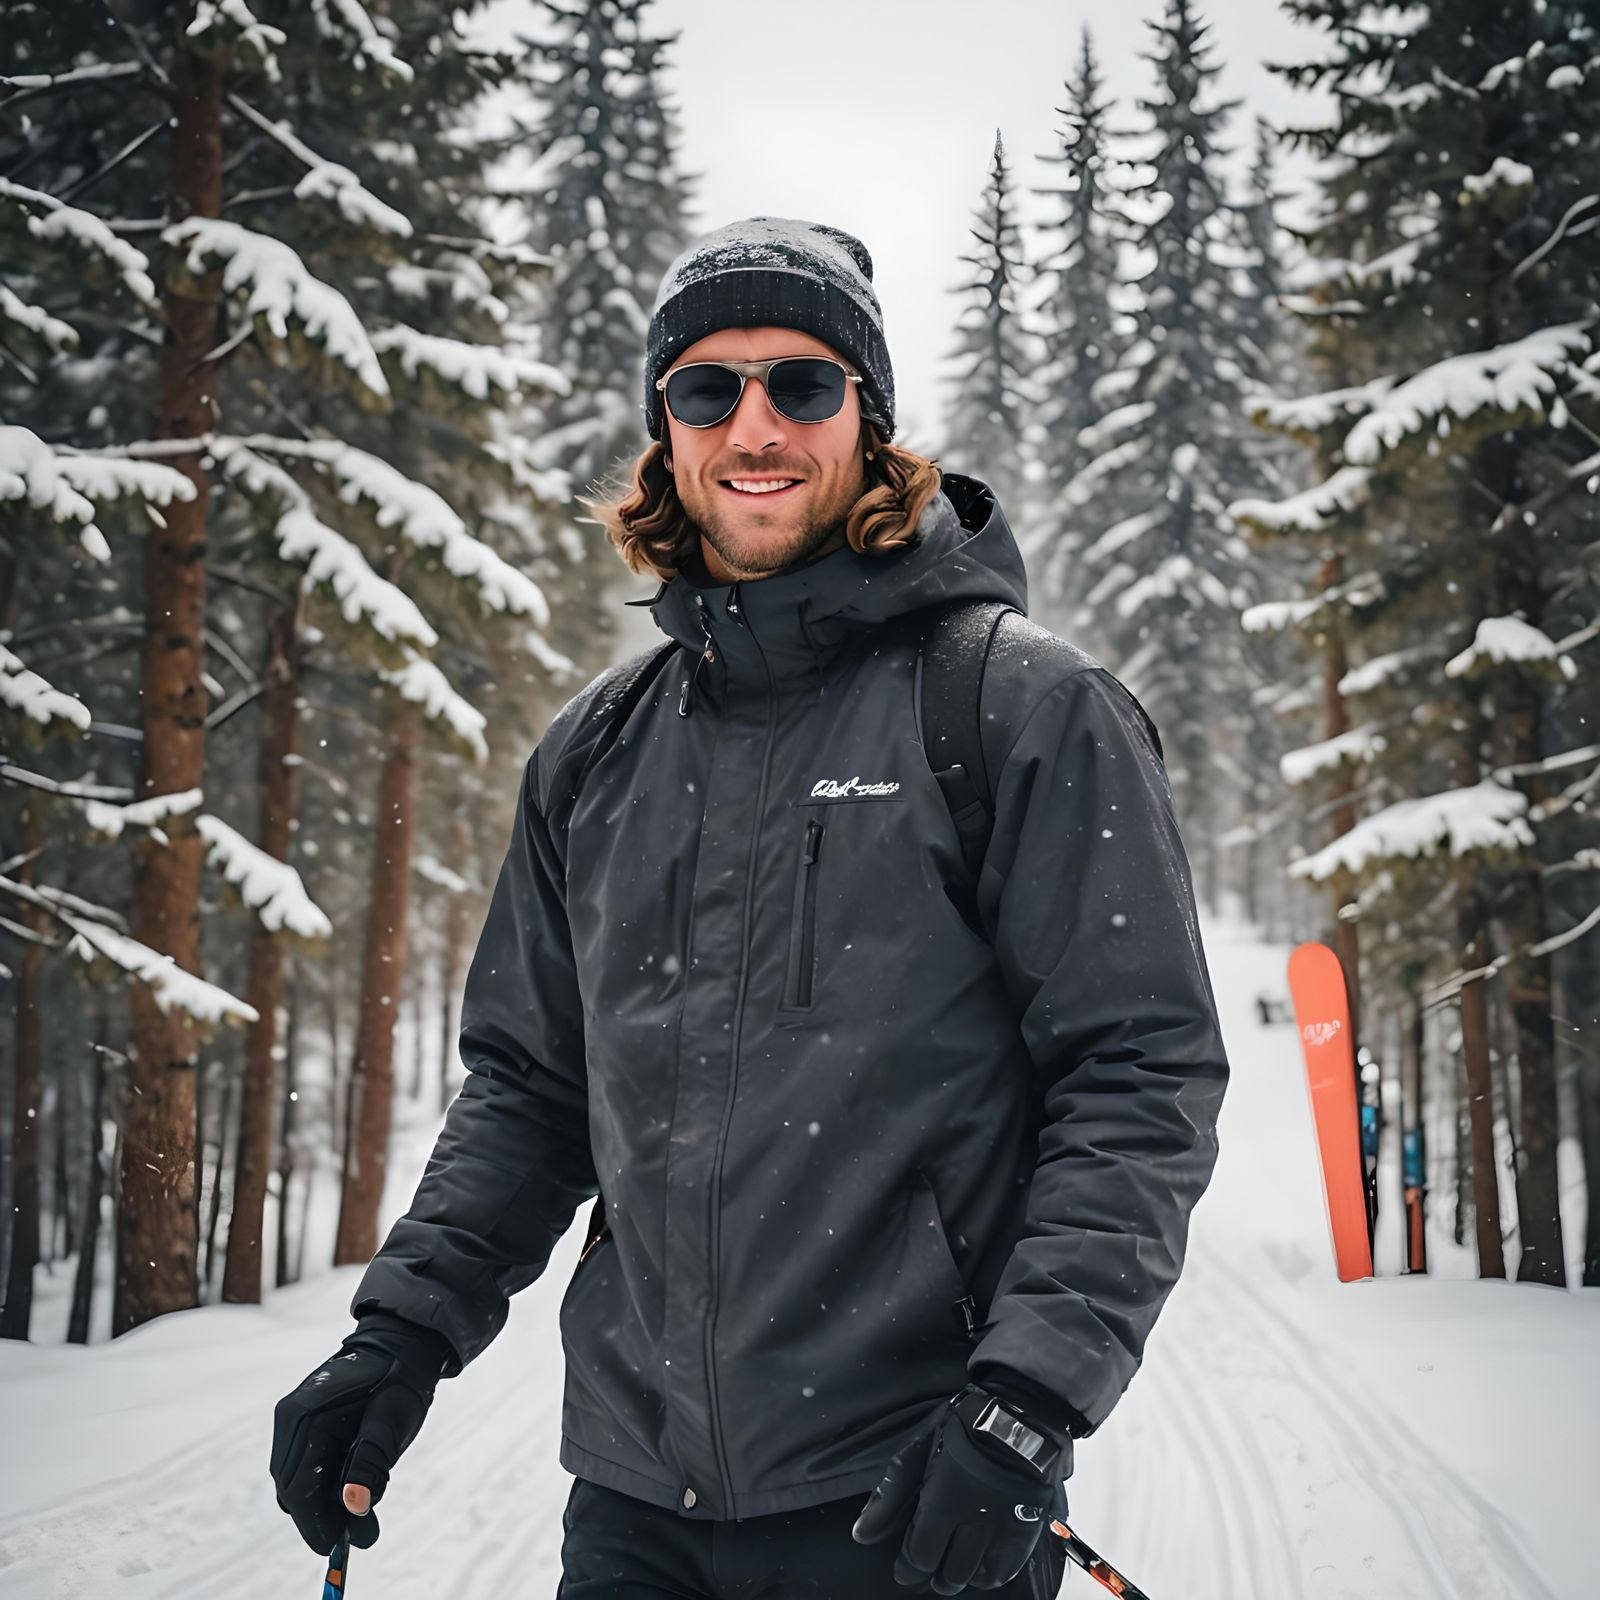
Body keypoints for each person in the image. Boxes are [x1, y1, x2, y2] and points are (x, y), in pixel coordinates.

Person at [271, 217, 1230, 1597]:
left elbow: (1138, 1074)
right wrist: (400, 1336)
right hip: (634, 1504)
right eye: (707, 389)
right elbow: (533, 1092)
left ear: (870, 418)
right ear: (667, 431)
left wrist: (1025, 1405)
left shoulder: (1014, 708)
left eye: (802, 382)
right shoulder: (597, 753)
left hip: (907, 1493)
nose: (754, 424)